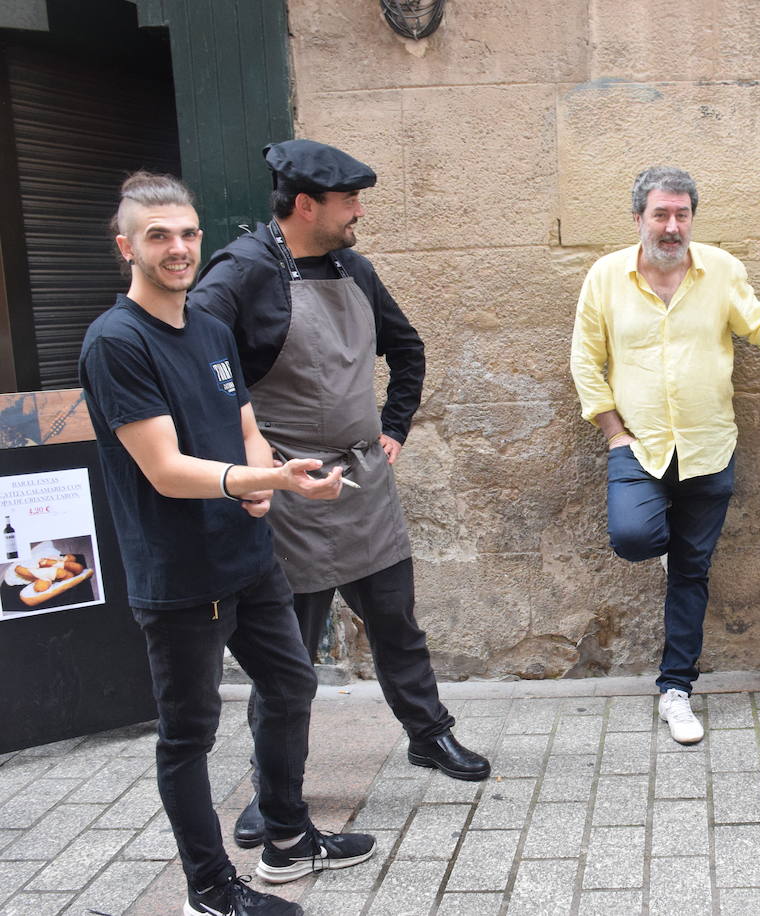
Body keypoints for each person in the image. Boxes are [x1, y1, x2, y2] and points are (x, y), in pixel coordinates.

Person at [79, 172, 375, 916]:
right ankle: (209, 891)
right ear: (127, 248)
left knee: (291, 686)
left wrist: (272, 472)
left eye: (187, 233)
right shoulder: (117, 343)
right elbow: (165, 467)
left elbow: (243, 422)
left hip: (247, 558)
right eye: (158, 236)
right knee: (188, 736)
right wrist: (258, 483)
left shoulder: (208, 327)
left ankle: (285, 840)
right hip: (181, 575)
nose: (178, 248)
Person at [189, 140, 489, 849]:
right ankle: (274, 794)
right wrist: (245, 466)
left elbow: (406, 347)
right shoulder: (240, 274)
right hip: (290, 490)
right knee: (284, 657)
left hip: (364, 482)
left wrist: (394, 429)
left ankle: (428, 735)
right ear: (305, 206)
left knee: (397, 624)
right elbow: (198, 370)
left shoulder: (354, 267)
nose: (359, 213)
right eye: (349, 201)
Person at [570, 166, 760, 744]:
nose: (673, 226)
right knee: (634, 537)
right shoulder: (606, 276)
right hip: (640, 444)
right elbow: (585, 360)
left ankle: (676, 689)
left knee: (692, 573)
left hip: (709, 445)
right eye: (661, 214)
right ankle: (665, 545)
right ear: (639, 219)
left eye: (682, 214)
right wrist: (612, 432)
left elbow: (751, 315)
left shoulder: (721, 269)